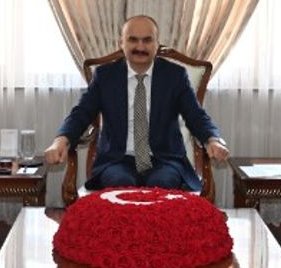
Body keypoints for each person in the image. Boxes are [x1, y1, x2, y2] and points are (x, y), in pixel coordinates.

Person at [43, 15, 229, 191]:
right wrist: (61, 141)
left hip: (164, 160)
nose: (140, 46)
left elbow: (196, 116)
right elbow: (81, 113)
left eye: (147, 40)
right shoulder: (105, 76)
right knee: (121, 184)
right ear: (122, 43)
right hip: (117, 160)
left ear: (157, 44)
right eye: (133, 40)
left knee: (161, 185)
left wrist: (212, 140)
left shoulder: (175, 76)